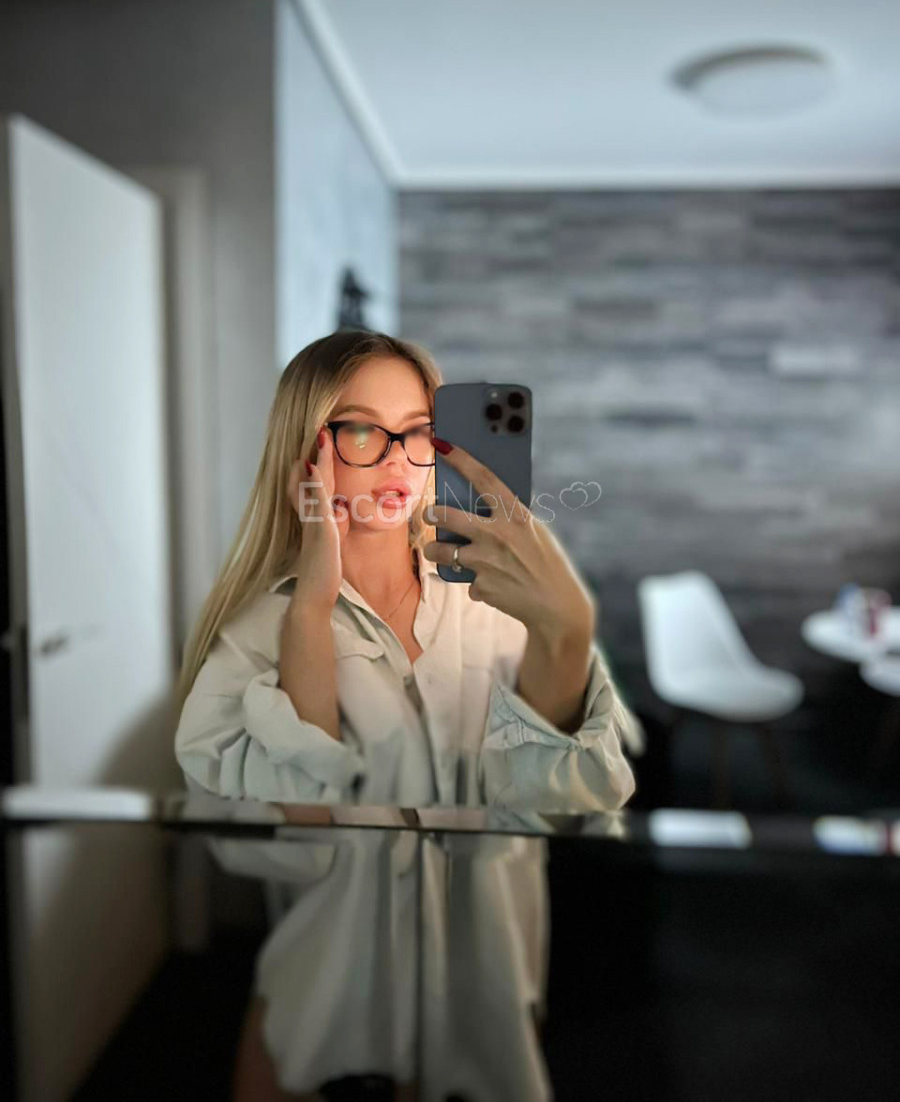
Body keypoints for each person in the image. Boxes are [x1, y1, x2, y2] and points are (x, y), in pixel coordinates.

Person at [172, 329, 645, 1101]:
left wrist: (567, 634)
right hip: (330, 993)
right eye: (363, 430)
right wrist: (311, 610)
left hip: (485, 978)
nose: (399, 459)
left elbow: (564, 803)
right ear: (307, 449)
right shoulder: (261, 633)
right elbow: (298, 843)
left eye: (420, 431)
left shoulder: (492, 607)